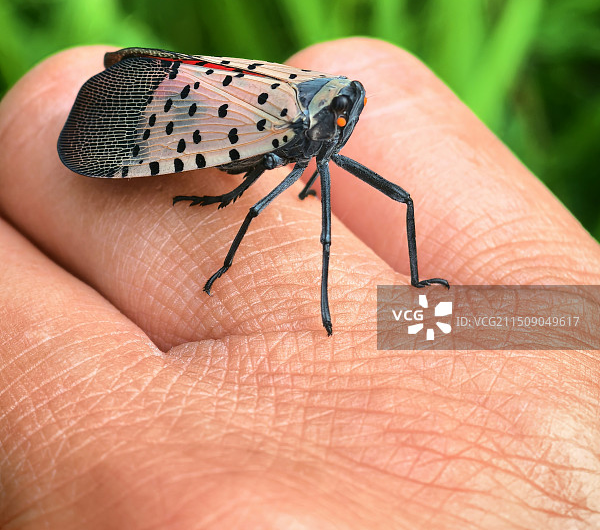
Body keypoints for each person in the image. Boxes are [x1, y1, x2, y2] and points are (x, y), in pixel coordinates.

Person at [0, 38, 598, 528]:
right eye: (339, 120)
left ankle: (411, 288)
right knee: (273, 210)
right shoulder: (576, 323)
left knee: (386, 201)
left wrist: (537, 324)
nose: (344, 128)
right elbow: (271, 192)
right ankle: (270, 271)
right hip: (234, 123)